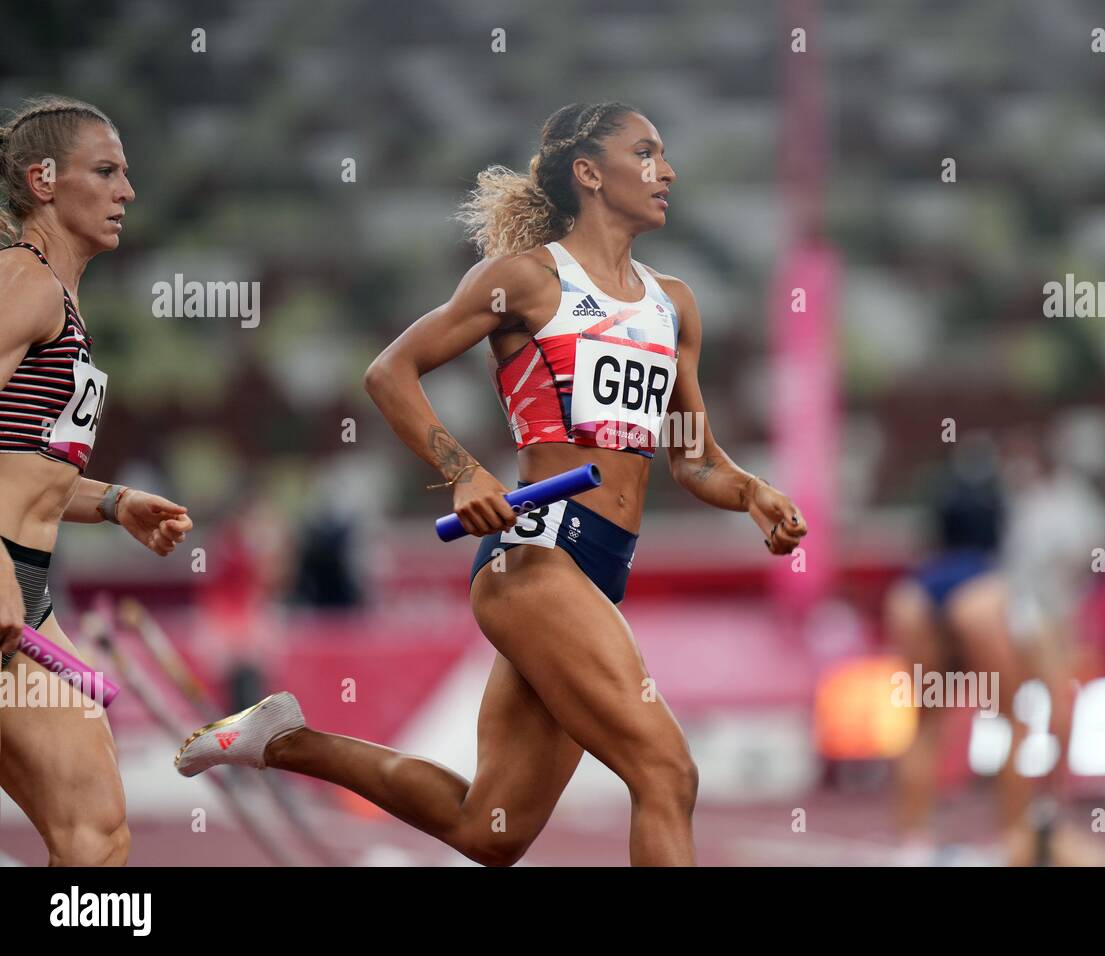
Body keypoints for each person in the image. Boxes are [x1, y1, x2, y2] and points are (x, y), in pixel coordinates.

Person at [175, 101, 807, 866]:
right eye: (645, 153)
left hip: (600, 571)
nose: (666, 171)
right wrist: (463, 470)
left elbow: (693, 458)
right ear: (589, 174)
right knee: (666, 772)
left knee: (489, 830)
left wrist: (752, 492)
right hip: (537, 559)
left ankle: (282, 740)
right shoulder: (526, 281)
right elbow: (390, 373)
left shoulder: (673, 304)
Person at [0, 95, 193, 866]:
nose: (127, 191)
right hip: (3, 579)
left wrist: (113, 501)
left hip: (26, 592)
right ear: (44, 181)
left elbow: (22, 468)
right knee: (92, 832)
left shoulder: (57, 297)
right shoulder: (26, 282)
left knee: (93, 830)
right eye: (106, 171)